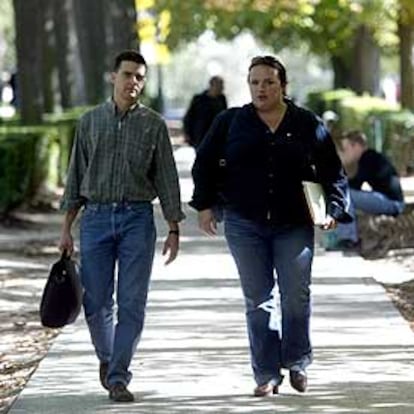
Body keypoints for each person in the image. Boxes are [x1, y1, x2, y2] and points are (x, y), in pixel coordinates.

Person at [190, 55, 351, 397]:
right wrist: (204, 205)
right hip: (244, 223)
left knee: (295, 296)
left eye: (269, 82)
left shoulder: (307, 123)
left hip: (293, 223)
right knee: (258, 299)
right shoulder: (231, 122)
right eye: (255, 82)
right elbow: (204, 163)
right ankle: (265, 373)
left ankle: (297, 362)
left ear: (283, 86)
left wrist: (334, 208)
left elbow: (332, 171)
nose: (261, 88)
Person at [58, 50, 185, 403]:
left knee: (132, 303)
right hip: (95, 218)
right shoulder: (89, 122)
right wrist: (66, 229)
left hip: (137, 219)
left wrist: (174, 227)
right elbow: (75, 178)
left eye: (140, 77)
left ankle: (118, 376)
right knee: (97, 302)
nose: (134, 82)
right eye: (127, 74)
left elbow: (166, 179)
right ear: (113, 77)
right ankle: (108, 356)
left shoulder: (153, 125)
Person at [330, 129, 405, 249]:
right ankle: (343, 237)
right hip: (386, 199)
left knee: (344, 194)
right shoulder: (368, 158)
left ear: (357, 146)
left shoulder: (368, 157)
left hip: (392, 203)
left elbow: (352, 184)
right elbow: (355, 185)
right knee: (344, 193)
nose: (344, 152)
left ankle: (348, 239)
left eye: (346, 148)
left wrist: (342, 163)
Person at [183, 75, 227, 148]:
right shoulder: (199, 99)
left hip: (217, 136)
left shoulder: (222, 99)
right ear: (212, 85)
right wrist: (187, 133)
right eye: (220, 86)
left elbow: (225, 116)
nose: (222, 88)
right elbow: (189, 117)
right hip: (200, 136)